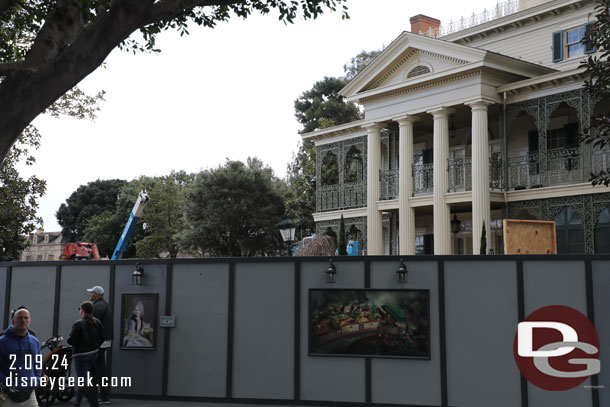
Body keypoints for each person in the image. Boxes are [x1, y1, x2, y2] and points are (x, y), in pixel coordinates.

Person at [0, 308, 42, 406]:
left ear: (29, 321)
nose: (23, 320)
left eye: (26, 318)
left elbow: (38, 363)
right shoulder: (2, 342)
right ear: (13, 321)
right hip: (7, 394)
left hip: (30, 394)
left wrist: (37, 379)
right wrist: (7, 382)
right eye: (19, 318)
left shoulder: (34, 341)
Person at [67, 301, 103, 407]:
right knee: (85, 379)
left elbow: (71, 340)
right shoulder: (97, 322)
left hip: (81, 355)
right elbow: (102, 338)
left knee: (83, 381)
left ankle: (94, 403)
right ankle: (78, 401)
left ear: (82, 310)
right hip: (94, 354)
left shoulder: (78, 324)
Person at [87, 285, 112, 404]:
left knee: (97, 369)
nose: (90, 295)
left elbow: (93, 326)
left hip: (98, 343)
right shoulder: (105, 305)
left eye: (91, 293)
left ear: (97, 294)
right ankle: (96, 395)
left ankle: (103, 397)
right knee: (98, 369)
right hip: (105, 341)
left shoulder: (96, 307)